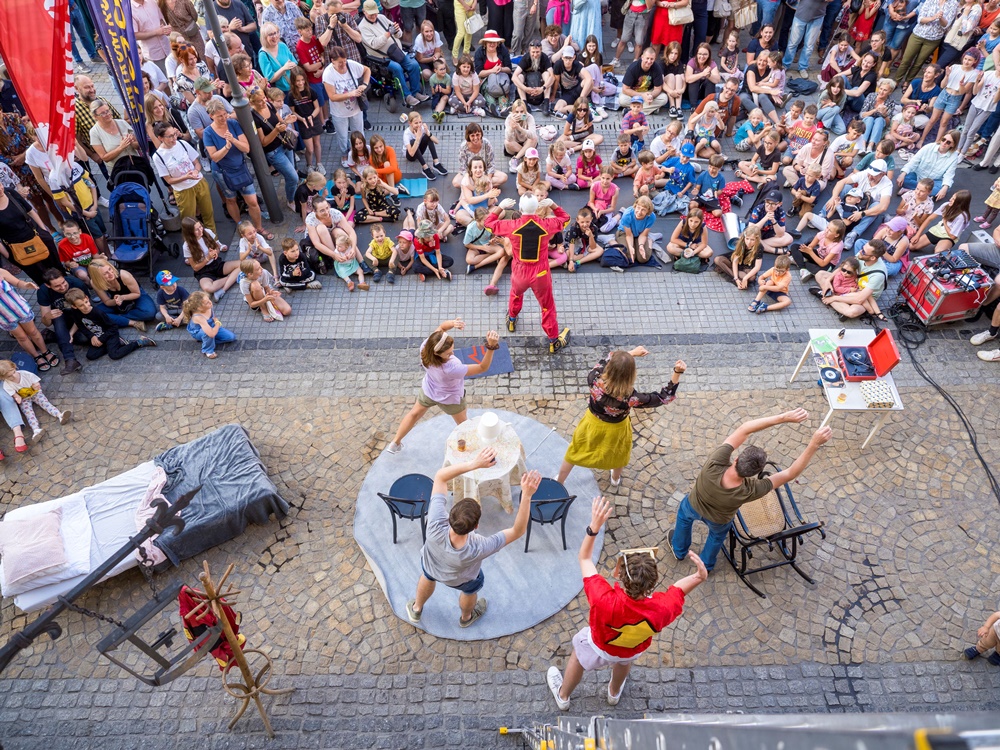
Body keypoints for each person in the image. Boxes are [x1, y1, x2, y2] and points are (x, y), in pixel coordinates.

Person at [547, 497, 707, 711]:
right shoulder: (663, 608)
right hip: (631, 649)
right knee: (624, 662)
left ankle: (563, 695)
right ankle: (613, 692)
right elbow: (678, 589)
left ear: (621, 575)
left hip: (600, 645)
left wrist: (594, 527)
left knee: (578, 654)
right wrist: (699, 577)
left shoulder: (604, 598)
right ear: (653, 581)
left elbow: (584, 559)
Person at [670, 409, 832, 571]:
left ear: (736, 458)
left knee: (684, 518)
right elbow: (791, 473)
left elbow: (745, 429)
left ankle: (679, 550)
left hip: (693, 504)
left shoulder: (715, 462)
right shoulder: (751, 489)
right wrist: (814, 444)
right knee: (716, 536)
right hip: (719, 520)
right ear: (754, 474)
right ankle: (705, 565)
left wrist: (783, 418)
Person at [405, 449, 539, 628]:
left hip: (431, 564)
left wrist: (474, 464)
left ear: (450, 514)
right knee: (470, 591)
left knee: (427, 576)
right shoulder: (479, 547)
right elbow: (517, 531)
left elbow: (440, 477)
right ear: (476, 526)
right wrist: (527, 495)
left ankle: (417, 608)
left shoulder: (435, 522)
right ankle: (466, 617)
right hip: (461, 580)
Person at [557, 348, 685, 487]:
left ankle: (560, 480)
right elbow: (663, 397)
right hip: (617, 429)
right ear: (631, 375)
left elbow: (608, 358)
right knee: (619, 454)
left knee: (575, 450)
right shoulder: (631, 398)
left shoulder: (593, 378)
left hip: (591, 423)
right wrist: (677, 373)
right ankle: (615, 479)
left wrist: (630, 353)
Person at [388, 320, 500, 452]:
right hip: (450, 398)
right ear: (437, 353)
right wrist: (491, 347)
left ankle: (395, 442)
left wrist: (453, 323)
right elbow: (482, 367)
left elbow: (441, 327)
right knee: (463, 425)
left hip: (429, 390)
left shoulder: (425, 347)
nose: (452, 354)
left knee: (414, 414)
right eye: (448, 353)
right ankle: (471, 453)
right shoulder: (452, 368)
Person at [486, 194, 572, 352]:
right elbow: (566, 218)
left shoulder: (512, 225)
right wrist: (553, 205)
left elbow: (488, 223)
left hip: (520, 271)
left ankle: (512, 319)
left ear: (520, 209)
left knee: (516, 294)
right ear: (537, 208)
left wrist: (500, 207)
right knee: (547, 306)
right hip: (540, 272)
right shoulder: (546, 224)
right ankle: (553, 341)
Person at [202, 100, 268, 236]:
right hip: (222, 172)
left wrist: (233, 140)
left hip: (240, 168)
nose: (224, 118)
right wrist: (226, 147)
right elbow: (214, 157)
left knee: (252, 201)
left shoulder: (233, 124)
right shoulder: (208, 133)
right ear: (211, 116)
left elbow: (246, 148)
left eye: (225, 114)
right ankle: (240, 226)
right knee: (230, 199)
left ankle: (259, 228)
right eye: (219, 115)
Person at [359, 0, 427, 108]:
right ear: (364, 12)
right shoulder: (362, 27)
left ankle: (416, 92)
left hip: (397, 52)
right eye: (371, 14)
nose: (374, 16)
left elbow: (399, 34)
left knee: (414, 65)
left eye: (375, 13)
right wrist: (387, 34)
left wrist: (396, 31)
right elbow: (374, 44)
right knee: (397, 68)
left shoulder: (381, 18)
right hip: (382, 58)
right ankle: (407, 95)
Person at [152, 122, 215, 235]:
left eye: (174, 134)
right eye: (170, 136)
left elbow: (197, 163)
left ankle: (214, 241)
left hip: (199, 183)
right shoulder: (158, 156)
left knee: (208, 213)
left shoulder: (182, 144)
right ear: (160, 138)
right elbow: (169, 181)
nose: (174, 138)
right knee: (189, 222)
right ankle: (194, 247)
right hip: (183, 190)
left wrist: (195, 171)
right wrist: (186, 177)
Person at [64, 288, 157, 360]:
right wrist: (92, 336)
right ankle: (118, 343)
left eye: (86, 302)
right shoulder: (75, 312)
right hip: (97, 335)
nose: (86, 306)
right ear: (74, 306)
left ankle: (139, 342)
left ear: (87, 298)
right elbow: (81, 325)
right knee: (90, 356)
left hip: (109, 334)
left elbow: (113, 327)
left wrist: (101, 339)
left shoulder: (98, 312)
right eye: (81, 305)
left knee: (114, 355)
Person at [812, 239, 889, 318]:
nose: (860, 251)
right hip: (849, 281)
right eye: (863, 248)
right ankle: (838, 304)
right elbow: (845, 266)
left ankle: (825, 295)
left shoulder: (878, 275)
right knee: (820, 274)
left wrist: (834, 298)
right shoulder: (862, 255)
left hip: (862, 294)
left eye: (864, 252)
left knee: (852, 312)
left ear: (873, 258)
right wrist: (828, 280)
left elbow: (860, 299)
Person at [0, 358, 70, 442]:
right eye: (9, 376)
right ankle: (36, 430)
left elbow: (35, 381)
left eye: (14, 373)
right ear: (3, 378)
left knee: (45, 403)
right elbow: (13, 393)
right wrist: (17, 397)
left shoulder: (25, 374)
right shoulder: (7, 384)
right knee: (28, 413)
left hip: (35, 393)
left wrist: (36, 385)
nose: (13, 376)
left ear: (15, 368)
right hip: (24, 399)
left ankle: (59, 415)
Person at [893, 0, 961, 85]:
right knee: (906, 60)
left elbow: (946, 25)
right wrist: (933, 18)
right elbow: (920, 19)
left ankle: (907, 82)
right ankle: (896, 81)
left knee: (918, 63)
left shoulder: (953, 3)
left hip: (933, 39)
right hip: (918, 34)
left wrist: (941, 18)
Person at [88, 259, 158, 332]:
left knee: (150, 313)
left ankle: (117, 318)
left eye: (110, 269)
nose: (110, 273)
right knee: (94, 312)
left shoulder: (124, 275)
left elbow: (137, 293)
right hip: (116, 302)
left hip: (134, 296)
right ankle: (132, 322)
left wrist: (122, 297)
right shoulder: (95, 282)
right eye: (105, 273)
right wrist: (116, 301)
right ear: (98, 277)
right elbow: (107, 301)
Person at [182, 291, 237, 359]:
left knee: (231, 337)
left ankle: (208, 341)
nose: (210, 302)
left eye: (209, 300)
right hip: (199, 331)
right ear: (199, 308)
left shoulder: (208, 307)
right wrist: (217, 323)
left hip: (211, 326)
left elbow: (213, 317)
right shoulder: (198, 317)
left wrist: (215, 324)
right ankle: (208, 350)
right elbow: (211, 334)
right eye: (207, 303)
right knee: (207, 334)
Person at [618, 48, 668, 115]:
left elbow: (658, 88)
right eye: (647, 58)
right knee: (622, 100)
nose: (649, 61)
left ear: (654, 59)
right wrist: (641, 96)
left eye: (652, 59)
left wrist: (651, 96)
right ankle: (650, 109)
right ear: (642, 57)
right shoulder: (633, 68)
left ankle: (631, 110)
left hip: (649, 92)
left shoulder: (657, 68)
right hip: (634, 93)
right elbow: (625, 89)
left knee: (664, 98)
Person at [131, 0, 172, 73]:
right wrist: (156, 32)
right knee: (164, 80)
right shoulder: (130, 10)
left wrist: (165, 28)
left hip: (167, 47)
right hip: (153, 54)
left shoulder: (152, 2)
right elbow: (135, 35)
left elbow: (161, 19)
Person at [513, 40, 555, 109]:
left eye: (537, 52)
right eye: (533, 52)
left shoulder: (544, 57)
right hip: (527, 85)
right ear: (529, 51)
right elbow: (514, 77)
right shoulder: (526, 58)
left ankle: (546, 102)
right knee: (519, 76)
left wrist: (542, 88)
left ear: (541, 51)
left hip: (540, 85)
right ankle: (524, 103)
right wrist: (525, 89)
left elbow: (552, 76)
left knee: (548, 74)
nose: (535, 55)